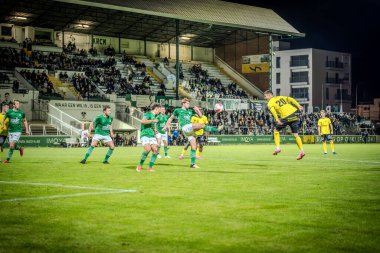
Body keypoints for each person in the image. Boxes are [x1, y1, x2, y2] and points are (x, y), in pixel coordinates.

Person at [163, 98, 221, 168]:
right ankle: (216, 129)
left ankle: (192, 164)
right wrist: (166, 126)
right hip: (185, 127)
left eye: (189, 103)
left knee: (194, 147)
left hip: (189, 131)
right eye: (187, 103)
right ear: (183, 103)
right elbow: (170, 118)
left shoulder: (190, 111)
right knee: (202, 125)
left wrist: (197, 110)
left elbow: (200, 116)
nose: (188, 104)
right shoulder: (177, 110)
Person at [264, 90, 305, 160]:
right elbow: (291, 99)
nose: (265, 98)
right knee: (296, 135)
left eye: (265, 96)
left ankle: (278, 148)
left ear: (269, 95)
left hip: (286, 116)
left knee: (276, 131)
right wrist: (299, 106)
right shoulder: (280, 97)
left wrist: (277, 119)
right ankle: (301, 151)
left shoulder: (270, 102)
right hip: (294, 114)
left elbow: (273, 111)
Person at [136, 103, 161, 172]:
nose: (160, 111)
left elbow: (151, 126)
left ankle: (150, 167)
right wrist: (152, 121)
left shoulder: (154, 116)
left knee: (155, 150)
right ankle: (140, 165)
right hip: (145, 134)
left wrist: (155, 130)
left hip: (152, 135)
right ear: (156, 109)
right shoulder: (148, 114)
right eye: (159, 109)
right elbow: (143, 121)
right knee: (147, 149)